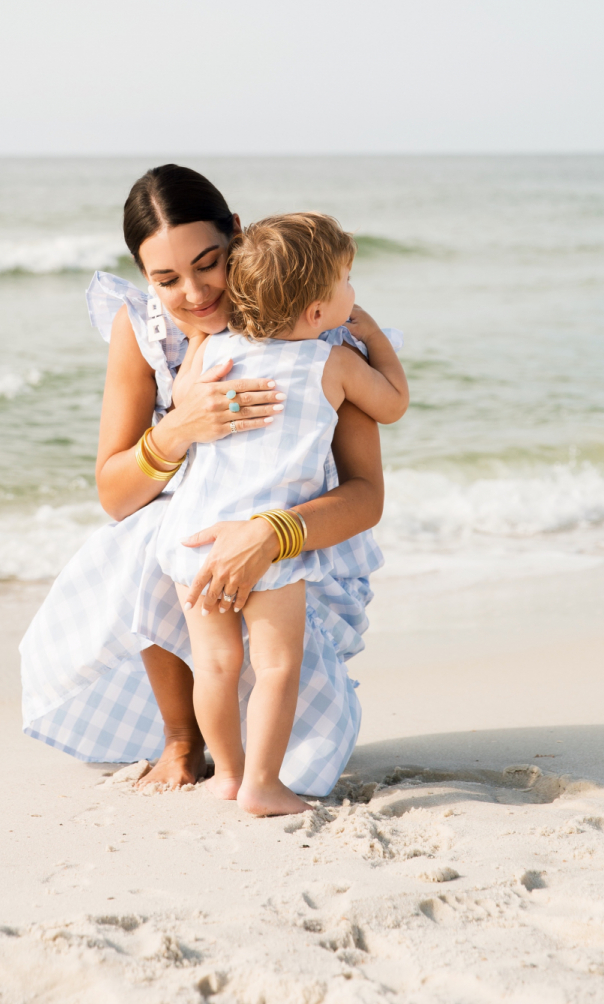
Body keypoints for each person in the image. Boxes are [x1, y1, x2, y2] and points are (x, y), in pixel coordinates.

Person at [19, 165, 408, 796]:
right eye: (167, 279)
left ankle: (245, 769)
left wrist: (272, 533)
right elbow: (116, 497)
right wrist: (180, 427)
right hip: (189, 550)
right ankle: (182, 739)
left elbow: (367, 496)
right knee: (147, 532)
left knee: (313, 760)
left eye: (209, 264)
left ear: (237, 236)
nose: (196, 293)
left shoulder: (322, 332)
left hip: (293, 540)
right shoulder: (146, 328)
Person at [156, 212, 400, 816]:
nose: (354, 292)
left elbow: (185, 405)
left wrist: (197, 350)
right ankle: (264, 784)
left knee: (214, 663)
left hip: (193, 537)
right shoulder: (333, 362)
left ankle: (228, 776)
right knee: (276, 666)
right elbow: (392, 405)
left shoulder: (214, 347)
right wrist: (375, 339)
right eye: (346, 281)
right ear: (317, 314)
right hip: (270, 545)